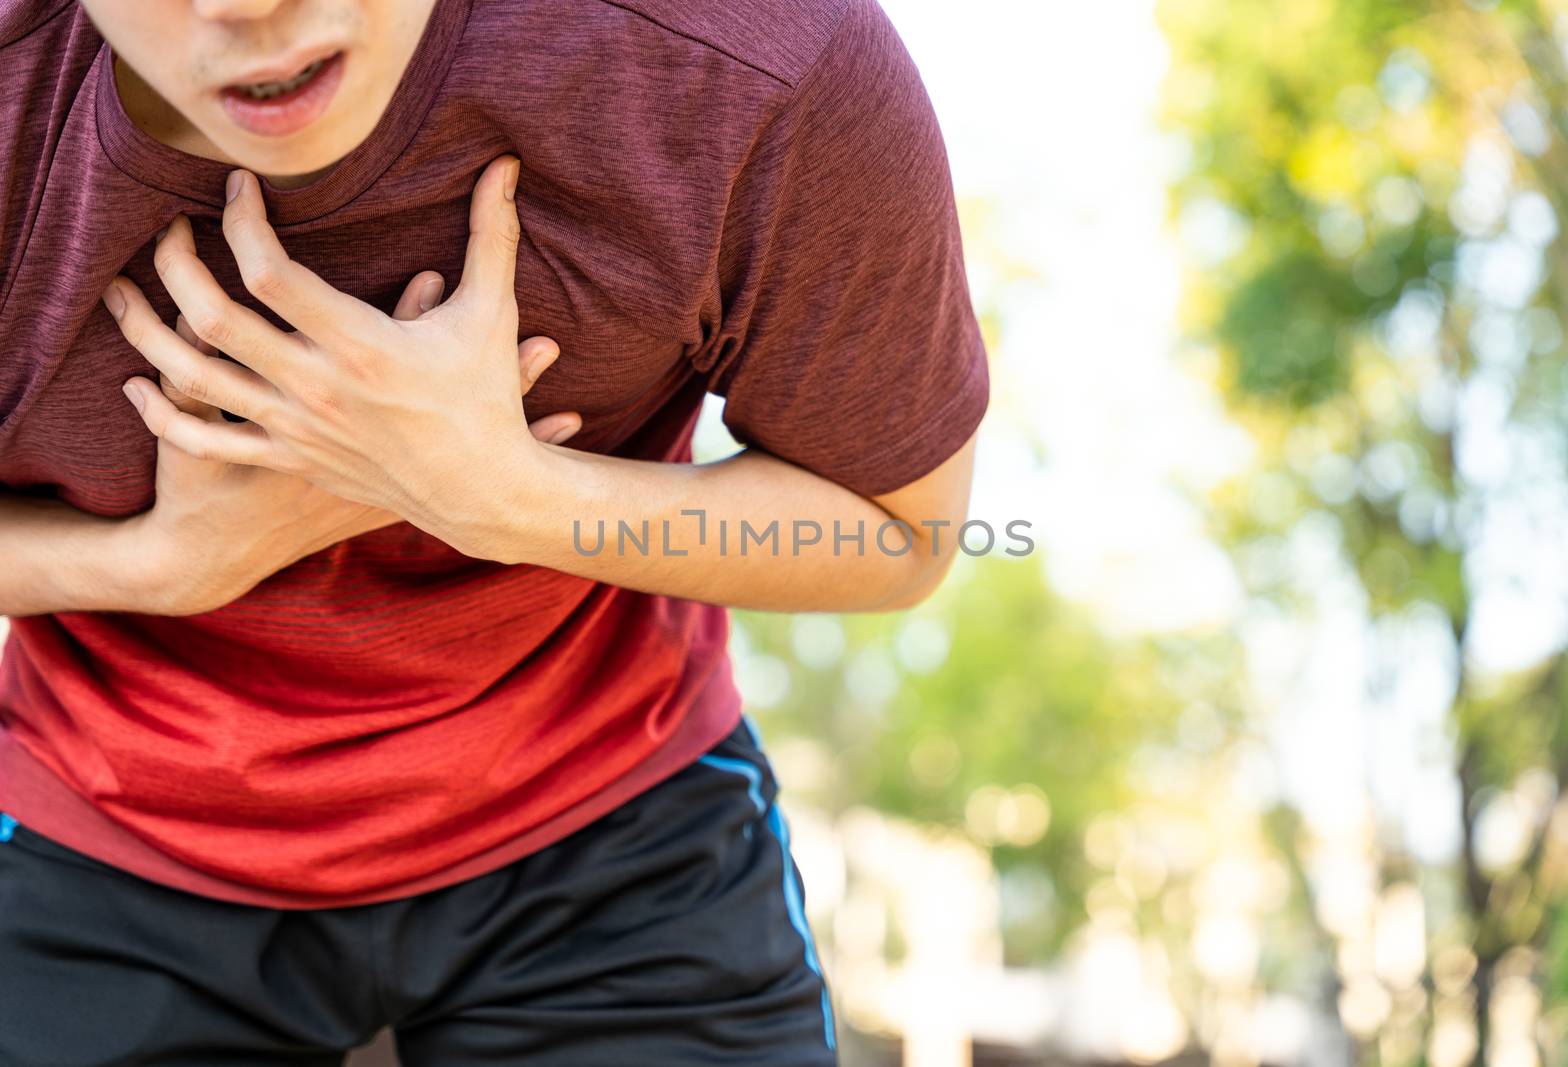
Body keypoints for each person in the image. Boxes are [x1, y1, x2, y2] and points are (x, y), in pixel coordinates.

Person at [0, 0, 989, 1062]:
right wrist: (158, 561)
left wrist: (502, 494)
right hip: (110, 820)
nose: (248, 4)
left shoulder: (758, 57)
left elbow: (902, 531)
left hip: (610, 819)